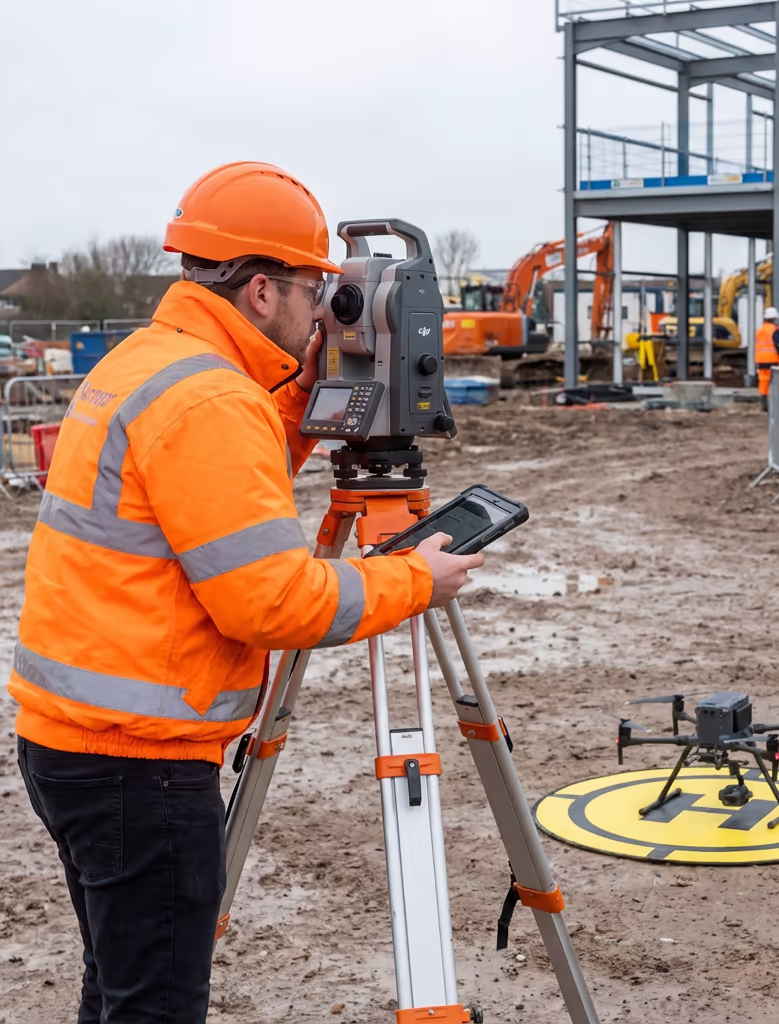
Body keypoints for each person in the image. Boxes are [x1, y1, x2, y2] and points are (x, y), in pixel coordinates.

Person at [10, 161, 484, 1023]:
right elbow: (271, 602)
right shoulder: (209, 403)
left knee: (117, 988)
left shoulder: (156, 363)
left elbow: (210, 497)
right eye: (315, 293)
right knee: (153, 1005)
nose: (322, 314)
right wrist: (415, 578)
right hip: (137, 767)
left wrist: (307, 395)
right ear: (262, 291)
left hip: (71, 741)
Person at [754, 306, 779, 411]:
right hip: (773, 360)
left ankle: (764, 403)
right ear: (775, 318)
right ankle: (775, 403)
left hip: (761, 360)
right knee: (776, 382)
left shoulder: (759, 330)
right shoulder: (775, 330)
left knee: (763, 381)